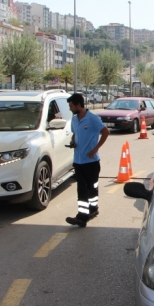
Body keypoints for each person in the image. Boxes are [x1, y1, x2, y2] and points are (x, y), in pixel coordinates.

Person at [65, 93, 110, 228]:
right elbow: (75, 134)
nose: (70, 108)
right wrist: (73, 142)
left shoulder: (92, 118)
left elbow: (106, 132)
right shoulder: (74, 119)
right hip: (78, 161)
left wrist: (96, 149)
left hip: (91, 162)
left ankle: (93, 208)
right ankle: (82, 217)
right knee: (82, 189)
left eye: (71, 106)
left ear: (78, 105)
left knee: (92, 187)